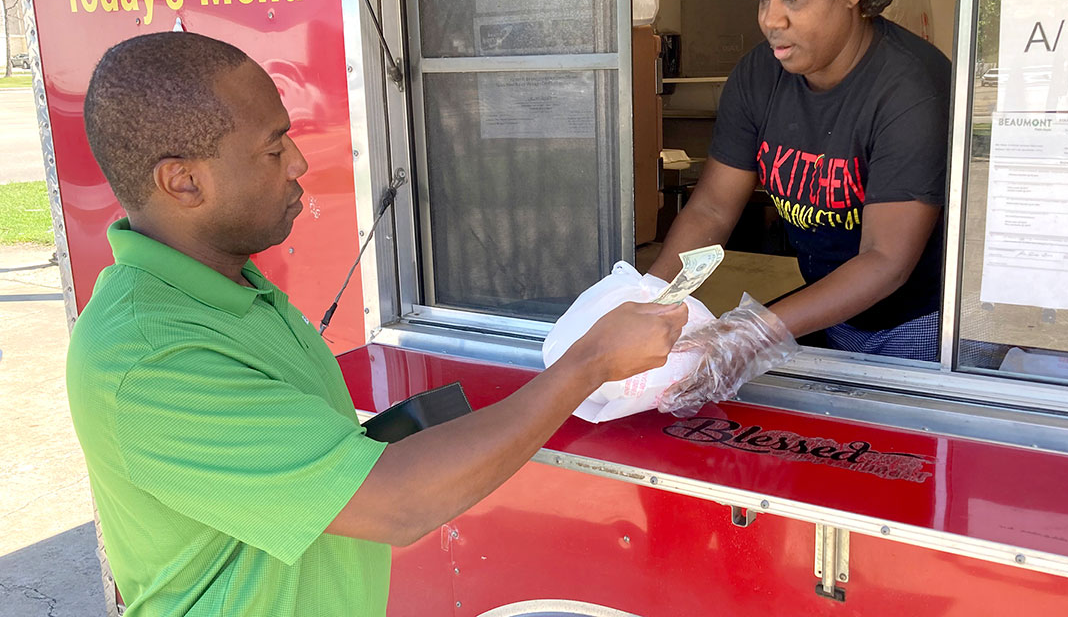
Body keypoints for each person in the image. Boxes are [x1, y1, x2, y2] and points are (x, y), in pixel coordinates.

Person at [66, 32, 687, 616]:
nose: (298, 163)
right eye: (273, 147)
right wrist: (590, 364)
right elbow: (397, 505)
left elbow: (323, 462)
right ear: (183, 181)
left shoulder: (229, 287)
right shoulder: (149, 357)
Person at [649, 0, 951, 362]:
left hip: (914, 323)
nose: (771, 19)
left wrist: (754, 333)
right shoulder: (759, 75)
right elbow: (710, 210)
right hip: (827, 308)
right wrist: (654, 303)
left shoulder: (910, 88)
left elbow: (885, 261)